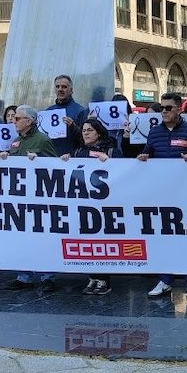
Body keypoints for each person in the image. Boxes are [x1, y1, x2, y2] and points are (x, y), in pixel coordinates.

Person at [140, 92, 187, 300]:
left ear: (179, 109)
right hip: (162, 194)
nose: (164, 111)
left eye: (168, 108)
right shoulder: (154, 132)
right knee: (165, 237)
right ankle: (166, 280)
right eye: (162, 108)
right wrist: (143, 158)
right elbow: (148, 153)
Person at [0, 106, 59, 291]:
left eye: (17, 118)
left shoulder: (43, 140)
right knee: (21, 237)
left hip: (38, 198)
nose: (14, 121)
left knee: (41, 238)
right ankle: (24, 276)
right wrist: (5, 157)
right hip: (19, 197)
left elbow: (54, 166)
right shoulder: (16, 141)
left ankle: (47, 276)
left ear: (29, 121)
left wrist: (39, 159)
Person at [62, 118, 119, 295]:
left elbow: (124, 170)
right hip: (84, 204)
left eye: (90, 130)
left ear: (99, 133)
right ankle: (93, 276)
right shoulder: (79, 151)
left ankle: (104, 279)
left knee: (102, 241)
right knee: (88, 240)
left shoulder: (111, 150)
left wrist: (109, 162)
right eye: (84, 130)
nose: (85, 133)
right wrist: (65, 160)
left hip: (104, 204)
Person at [44, 74, 89, 156]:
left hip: (71, 160)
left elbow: (87, 138)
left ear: (71, 90)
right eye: (57, 87)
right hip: (51, 159)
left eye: (64, 87)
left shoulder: (80, 111)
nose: (60, 89)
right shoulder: (48, 111)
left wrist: (73, 127)